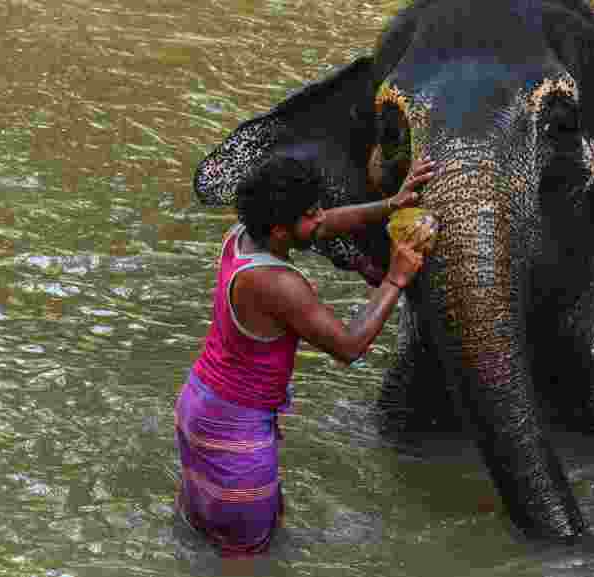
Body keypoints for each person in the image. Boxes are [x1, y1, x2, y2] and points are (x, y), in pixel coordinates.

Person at [175, 153, 435, 556]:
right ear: (281, 231)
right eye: (310, 215)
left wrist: (392, 204)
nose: (321, 220)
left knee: (213, 531)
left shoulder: (244, 233)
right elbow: (349, 346)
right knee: (244, 555)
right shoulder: (278, 284)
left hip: (203, 406)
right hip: (235, 431)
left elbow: (328, 222)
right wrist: (396, 277)